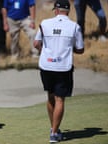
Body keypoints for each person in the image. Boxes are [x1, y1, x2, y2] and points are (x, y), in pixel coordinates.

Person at [33, 0, 84, 142]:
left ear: (56, 10)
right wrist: (67, 48)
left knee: (50, 96)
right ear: (68, 11)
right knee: (59, 99)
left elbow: (36, 43)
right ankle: (54, 133)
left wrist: (46, 52)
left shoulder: (44, 23)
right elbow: (80, 49)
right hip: (63, 67)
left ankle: (53, 128)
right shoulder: (74, 26)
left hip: (46, 65)